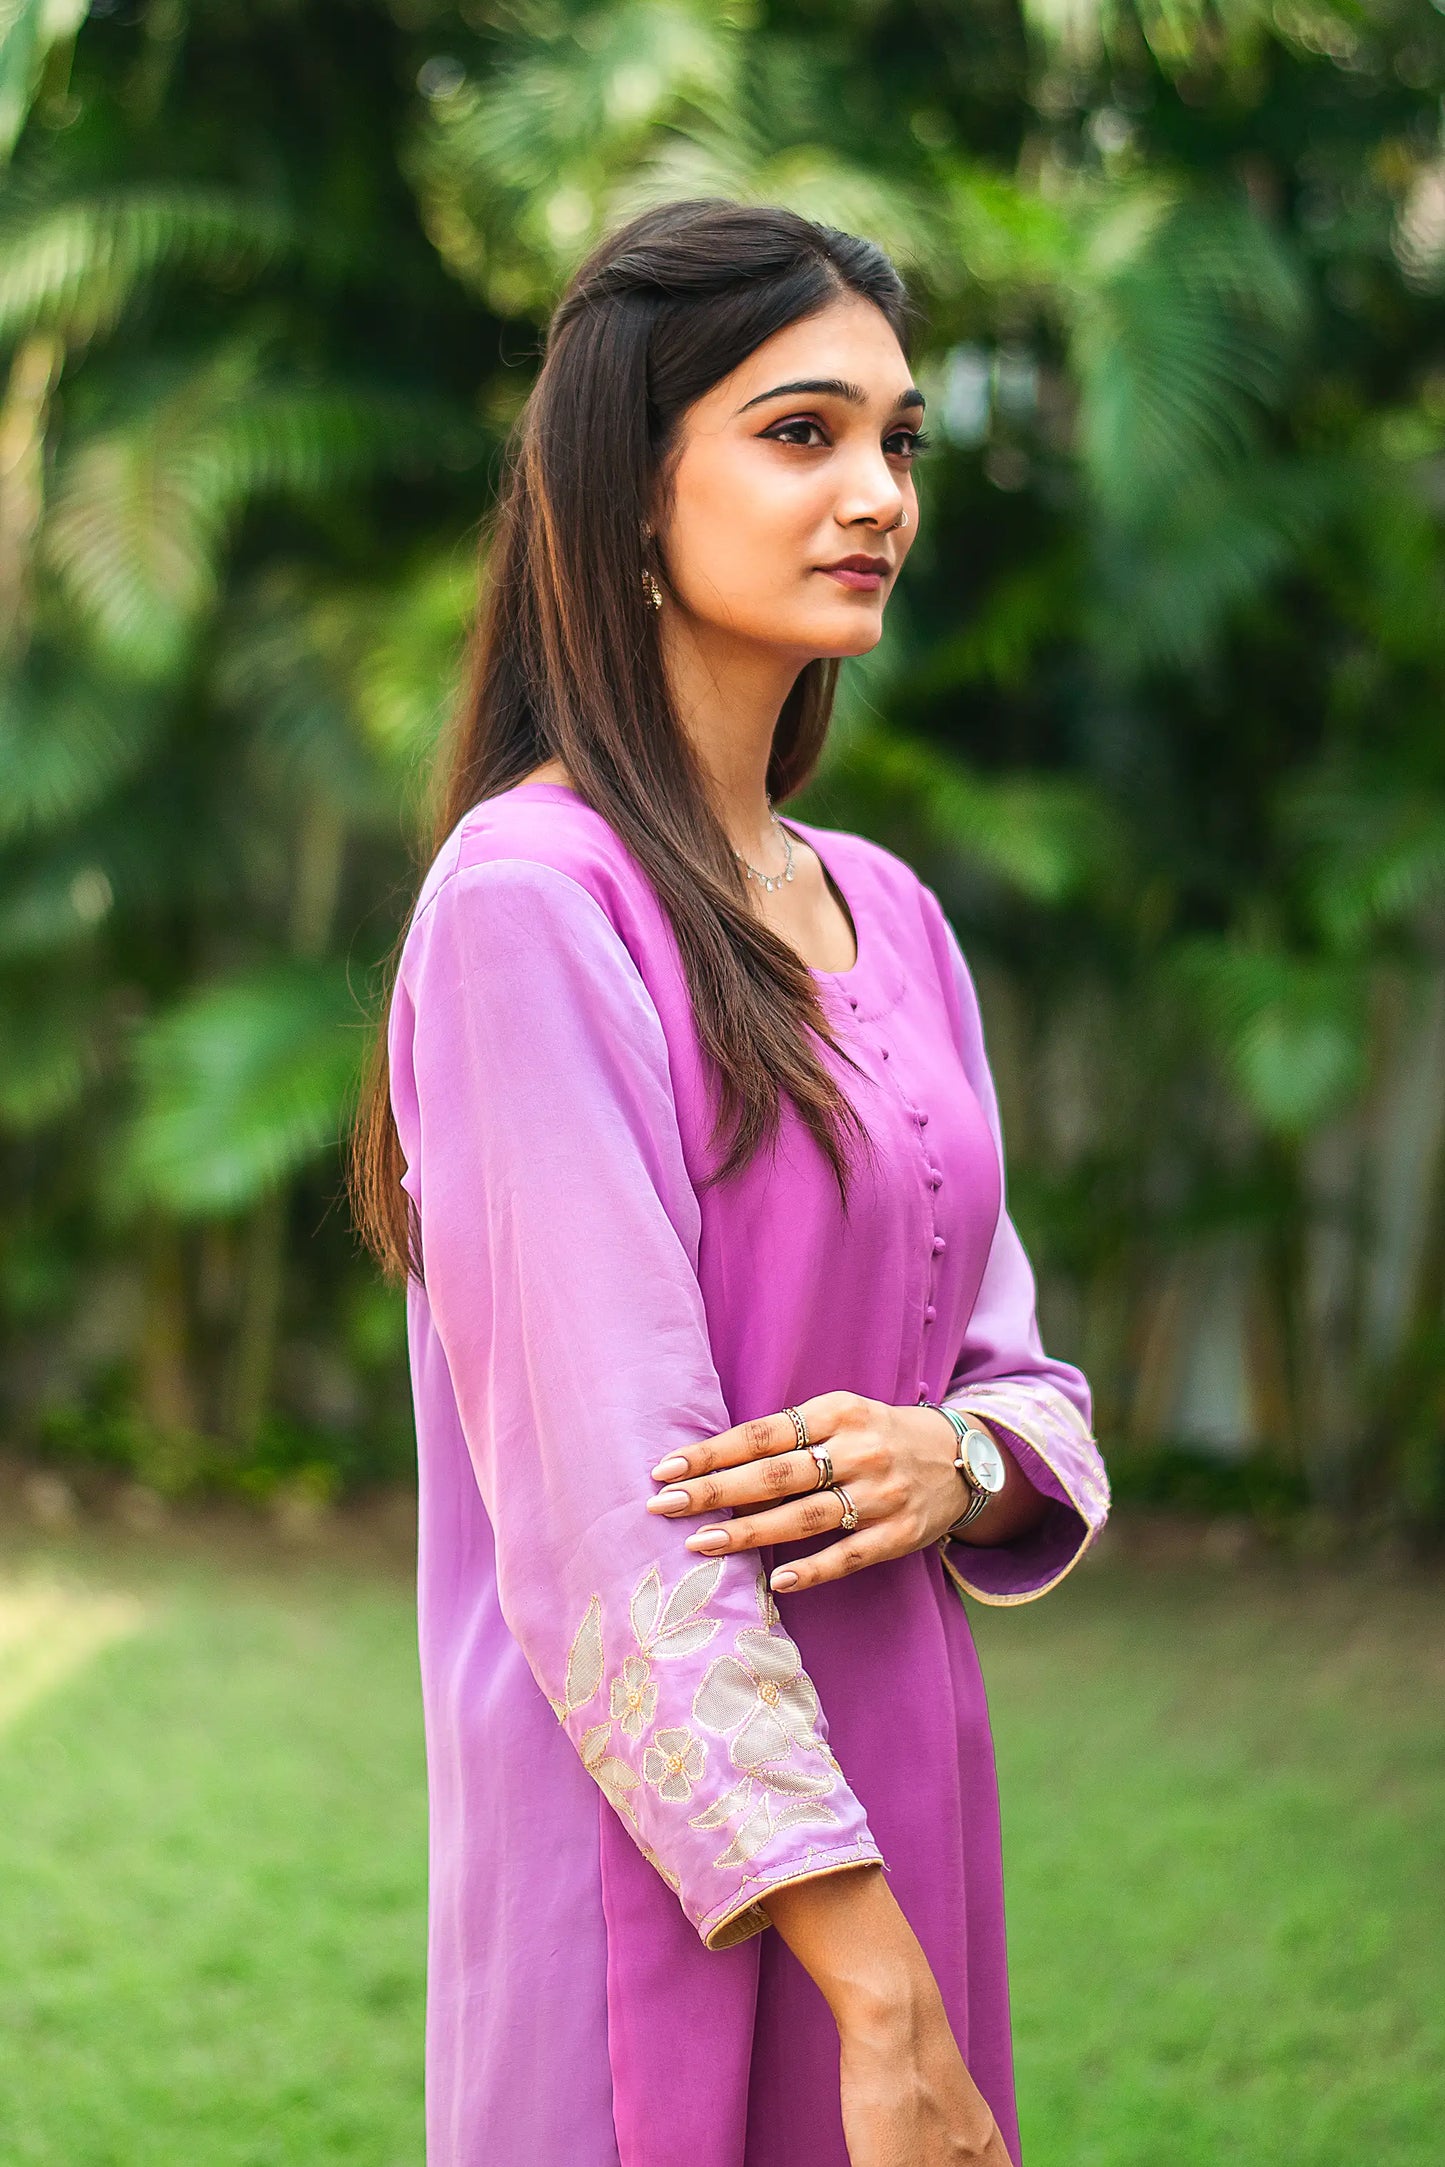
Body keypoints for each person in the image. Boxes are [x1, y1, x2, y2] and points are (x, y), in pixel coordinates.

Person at [349, 197, 1111, 2167]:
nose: (874, 492)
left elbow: (1018, 1366)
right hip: (662, 1876)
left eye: (898, 439)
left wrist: (961, 1459)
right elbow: (618, 1525)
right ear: (624, 497)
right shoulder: (533, 908)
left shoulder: (895, 915)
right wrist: (875, 1985)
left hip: (909, 1796)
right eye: (801, 433)